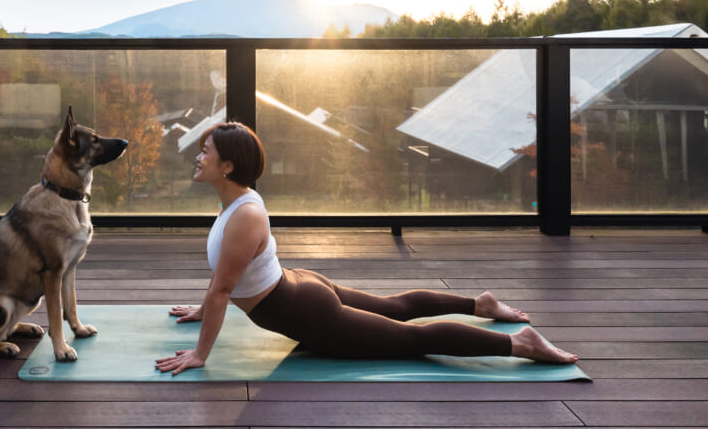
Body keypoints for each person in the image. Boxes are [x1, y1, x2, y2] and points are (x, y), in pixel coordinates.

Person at [155, 122, 578, 376]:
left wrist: (200, 353)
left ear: (227, 165)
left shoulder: (243, 214)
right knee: (395, 307)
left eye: (205, 151)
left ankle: (522, 344)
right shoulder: (237, 201)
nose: (198, 157)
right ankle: (480, 304)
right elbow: (227, 277)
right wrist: (203, 308)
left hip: (305, 311)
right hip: (298, 289)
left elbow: (224, 288)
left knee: (414, 340)